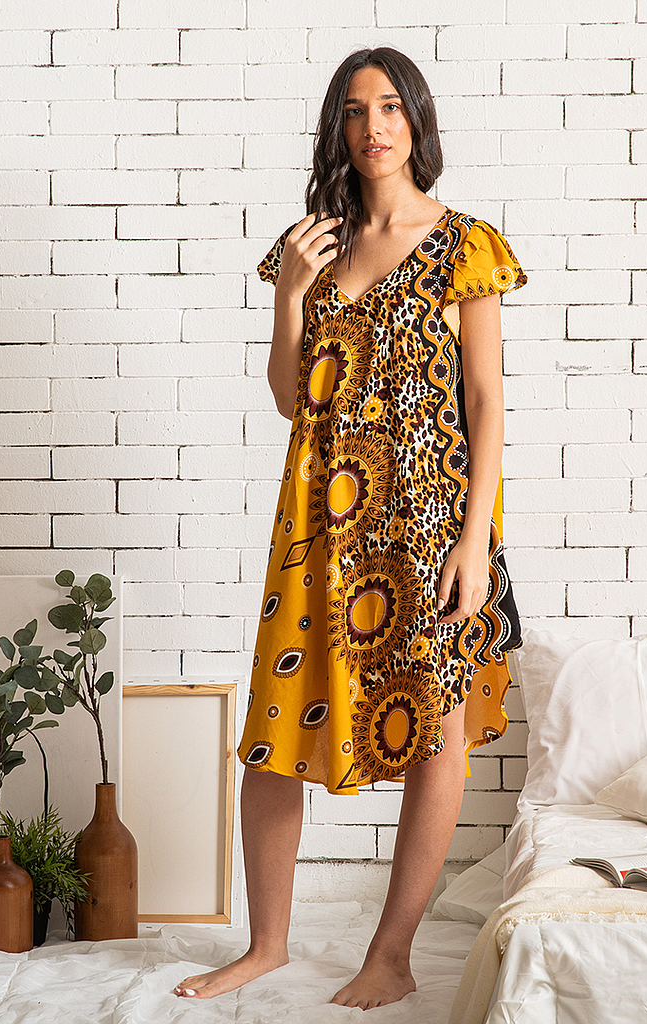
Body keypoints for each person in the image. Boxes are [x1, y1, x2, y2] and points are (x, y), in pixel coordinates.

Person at [175, 46, 526, 1011]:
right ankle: (267, 946)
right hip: (319, 523)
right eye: (356, 110)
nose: (375, 127)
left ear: (418, 121)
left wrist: (472, 543)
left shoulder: (465, 243)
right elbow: (292, 397)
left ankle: (392, 954)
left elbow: (487, 402)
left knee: (436, 728)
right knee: (275, 730)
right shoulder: (312, 246)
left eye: (391, 107)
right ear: (338, 127)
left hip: (430, 523)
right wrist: (288, 292)